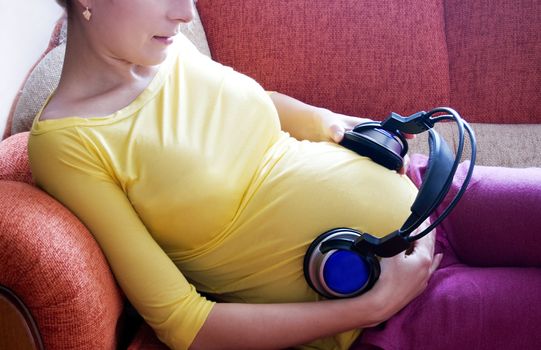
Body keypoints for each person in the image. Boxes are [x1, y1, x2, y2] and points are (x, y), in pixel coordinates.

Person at [27, 1, 541, 350]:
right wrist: (372, 306)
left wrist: (337, 126)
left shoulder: (163, 46)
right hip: (388, 308)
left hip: (429, 191)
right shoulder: (68, 143)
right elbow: (184, 323)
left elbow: (252, 108)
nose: (186, 12)